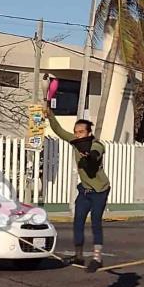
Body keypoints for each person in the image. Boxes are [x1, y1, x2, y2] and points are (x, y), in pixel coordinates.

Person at [45, 110, 111, 272]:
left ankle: (97, 258)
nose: (78, 135)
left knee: (95, 221)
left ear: (89, 132)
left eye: (81, 132)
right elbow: (59, 131)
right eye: (76, 132)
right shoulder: (75, 142)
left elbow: (96, 154)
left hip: (99, 190)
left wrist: (88, 156)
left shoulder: (97, 144)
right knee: (78, 221)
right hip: (85, 191)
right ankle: (79, 256)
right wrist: (50, 115)